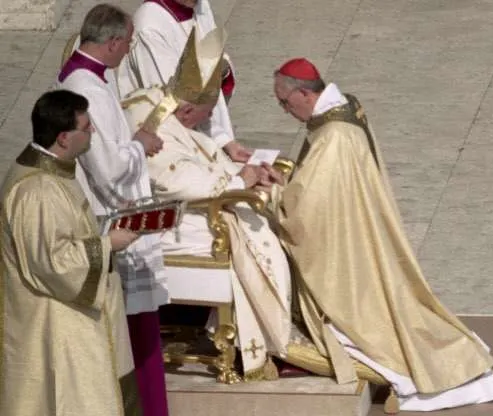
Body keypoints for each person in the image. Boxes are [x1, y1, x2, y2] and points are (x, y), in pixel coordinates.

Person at [263, 58, 493, 412]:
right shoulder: (346, 106)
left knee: (363, 314)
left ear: (303, 93)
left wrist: (273, 193)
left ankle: (433, 372)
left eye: (284, 102)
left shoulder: (333, 137)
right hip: (357, 218)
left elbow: (305, 211)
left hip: (347, 237)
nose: (284, 110)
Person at [121, 28, 291, 379]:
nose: (206, 122)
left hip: (173, 205)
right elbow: (174, 179)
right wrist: (237, 181)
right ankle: (257, 341)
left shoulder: (162, 100)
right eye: (205, 113)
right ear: (186, 110)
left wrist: (242, 168)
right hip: (153, 218)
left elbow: (197, 146)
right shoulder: (148, 119)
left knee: (256, 212)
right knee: (249, 229)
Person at [55, 4, 169, 415]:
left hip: (107, 213)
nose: (129, 52)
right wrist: (140, 144)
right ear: (114, 42)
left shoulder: (81, 77)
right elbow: (107, 169)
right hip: (112, 220)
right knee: (132, 337)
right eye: (128, 43)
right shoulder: (88, 91)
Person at [0, 90, 141, 416]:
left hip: (68, 315)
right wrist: (109, 245)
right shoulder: (37, 191)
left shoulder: (56, 171)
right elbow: (52, 263)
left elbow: (65, 233)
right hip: (53, 324)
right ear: (64, 138)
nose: (92, 131)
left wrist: (110, 226)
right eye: (86, 126)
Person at [118, 0, 250, 163]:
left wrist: (225, 142)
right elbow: (177, 104)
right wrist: (219, 146)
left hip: (204, 133)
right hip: (170, 146)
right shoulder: (150, 25)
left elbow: (210, 66)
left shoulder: (199, 5)